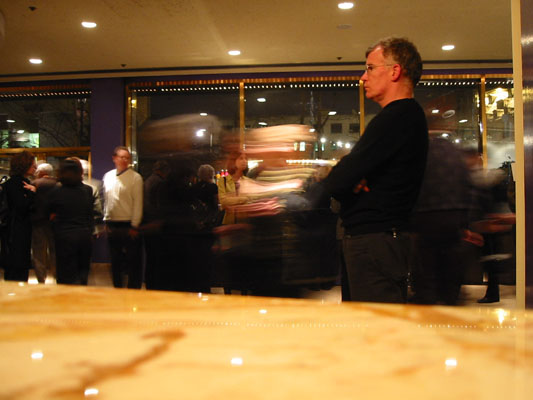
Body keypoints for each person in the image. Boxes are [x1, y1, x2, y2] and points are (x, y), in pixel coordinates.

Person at [323, 37, 428, 303]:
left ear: (395, 71)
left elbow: (337, 181)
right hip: (379, 240)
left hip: (375, 242)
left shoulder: (398, 116)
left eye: (370, 68)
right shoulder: (403, 116)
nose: (363, 77)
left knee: (374, 324)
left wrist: (350, 178)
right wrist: (352, 178)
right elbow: (346, 177)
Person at [46, 159, 95, 285]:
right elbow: (90, 214)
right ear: (80, 172)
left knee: (65, 274)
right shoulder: (87, 190)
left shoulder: (55, 192)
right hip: (84, 235)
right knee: (82, 272)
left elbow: (48, 213)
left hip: (64, 236)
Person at [102, 146, 143, 288]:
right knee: (115, 260)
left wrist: (135, 225)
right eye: (122, 157)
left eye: (127, 158)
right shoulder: (108, 176)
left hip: (128, 223)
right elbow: (107, 200)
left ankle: (133, 290)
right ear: (114, 158)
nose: (125, 160)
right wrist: (106, 220)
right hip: (112, 223)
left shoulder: (135, 178)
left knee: (133, 261)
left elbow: (138, 203)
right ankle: (117, 288)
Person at [3, 151, 37, 282]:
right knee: (18, 266)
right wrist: (32, 193)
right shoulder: (17, 184)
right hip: (17, 230)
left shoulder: (15, 183)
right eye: (32, 165)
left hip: (14, 229)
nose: (35, 167)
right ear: (24, 165)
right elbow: (22, 206)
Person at [31, 162, 57, 284]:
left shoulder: (34, 183)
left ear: (41, 172)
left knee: (38, 252)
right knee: (55, 251)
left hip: (37, 222)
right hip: (54, 222)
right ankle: (56, 276)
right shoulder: (58, 184)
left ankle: (41, 279)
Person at [217, 151, 250, 225]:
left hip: (244, 222)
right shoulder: (223, 180)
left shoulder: (247, 181)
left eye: (246, 158)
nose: (244, 161)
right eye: (241, 158)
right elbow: (223, 201)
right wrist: (243, 199)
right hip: (228, 222)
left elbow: (250, 199)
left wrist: (231, 198)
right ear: (233, 161)